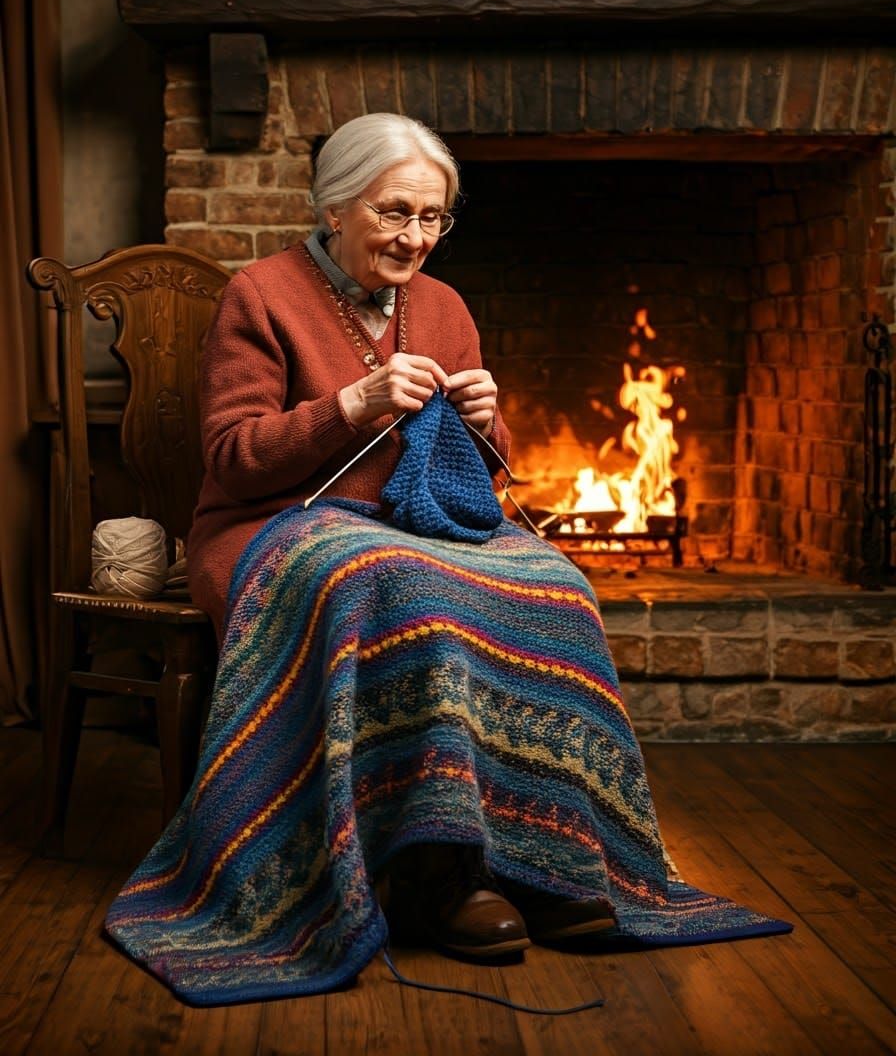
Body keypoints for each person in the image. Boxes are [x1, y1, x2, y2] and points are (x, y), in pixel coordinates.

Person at [106, 114, 789, 1007]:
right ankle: (436, 875)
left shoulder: (444, 306)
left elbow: (480, 474)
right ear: (335, 207)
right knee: (399, 586)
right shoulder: (261, 294)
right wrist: (351, 404)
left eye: (433, 218)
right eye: (395, 213)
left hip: (413, 524)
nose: (416, 237)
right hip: (272, 524)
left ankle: (547, 859)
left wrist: (486, 419)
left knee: (557, 585)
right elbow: (234, 459)